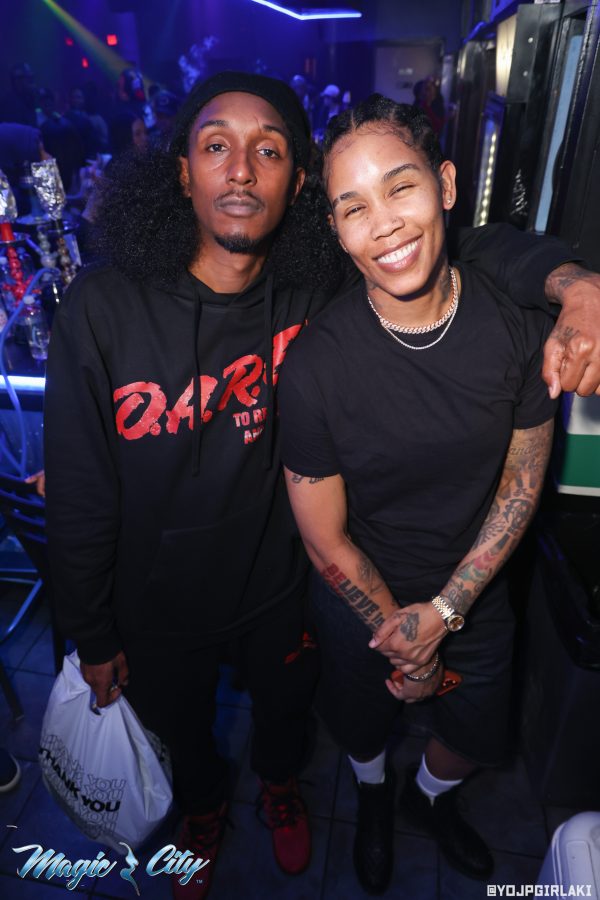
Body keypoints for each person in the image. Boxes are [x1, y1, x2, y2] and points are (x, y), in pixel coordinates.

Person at [44, 71, 600, 900]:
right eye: (216, 146)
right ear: (182, 172)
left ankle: (282, 789)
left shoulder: (315, 281)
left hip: (277, 588)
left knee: (286, 718)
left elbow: (472, 249)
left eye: (268, 150)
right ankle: (204, 812)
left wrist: (577, 285)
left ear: (298, 184)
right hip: (157, 600)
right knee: (183, 730)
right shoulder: (103, 307)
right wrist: (90, 632)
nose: (241, 169)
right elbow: (79, 489)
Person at [278, 96, 558, 894]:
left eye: (400, 187)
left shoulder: (515, 328)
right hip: (359, 601)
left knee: (476, 735)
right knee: (361, 726)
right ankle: (373, 794)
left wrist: (446, 613)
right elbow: (324, 538)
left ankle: (427, 799)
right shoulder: (315, 367)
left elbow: (520, 485)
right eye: (354, 207)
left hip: (476, 591)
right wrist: (404, 636)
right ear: (337, 231)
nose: (385, 225)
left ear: (446, 185)